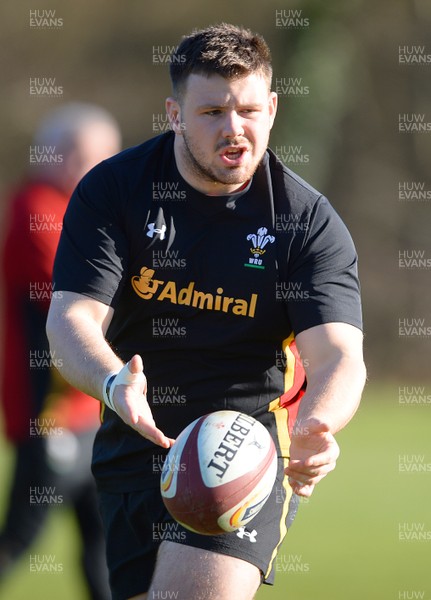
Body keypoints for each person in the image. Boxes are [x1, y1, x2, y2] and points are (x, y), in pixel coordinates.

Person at [46, 24, 366, 600]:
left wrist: (319, 423)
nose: (234, 129)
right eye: (212, 110)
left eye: (247, 110)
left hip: (243, 451)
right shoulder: (114, 191)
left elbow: (341, 354)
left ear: (271, 108)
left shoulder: (306, 221)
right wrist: (113, 381)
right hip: (132, 447)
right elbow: (70, 321)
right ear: (174, 113)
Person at [0, 102, 121, 599]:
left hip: (90, 409)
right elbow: (85, 301)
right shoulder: (38, 209)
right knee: (20, 538)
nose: (108, 168)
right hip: (49, 416)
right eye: (98, 156)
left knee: (104, 545)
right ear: (65, 155)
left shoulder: (79, 211)